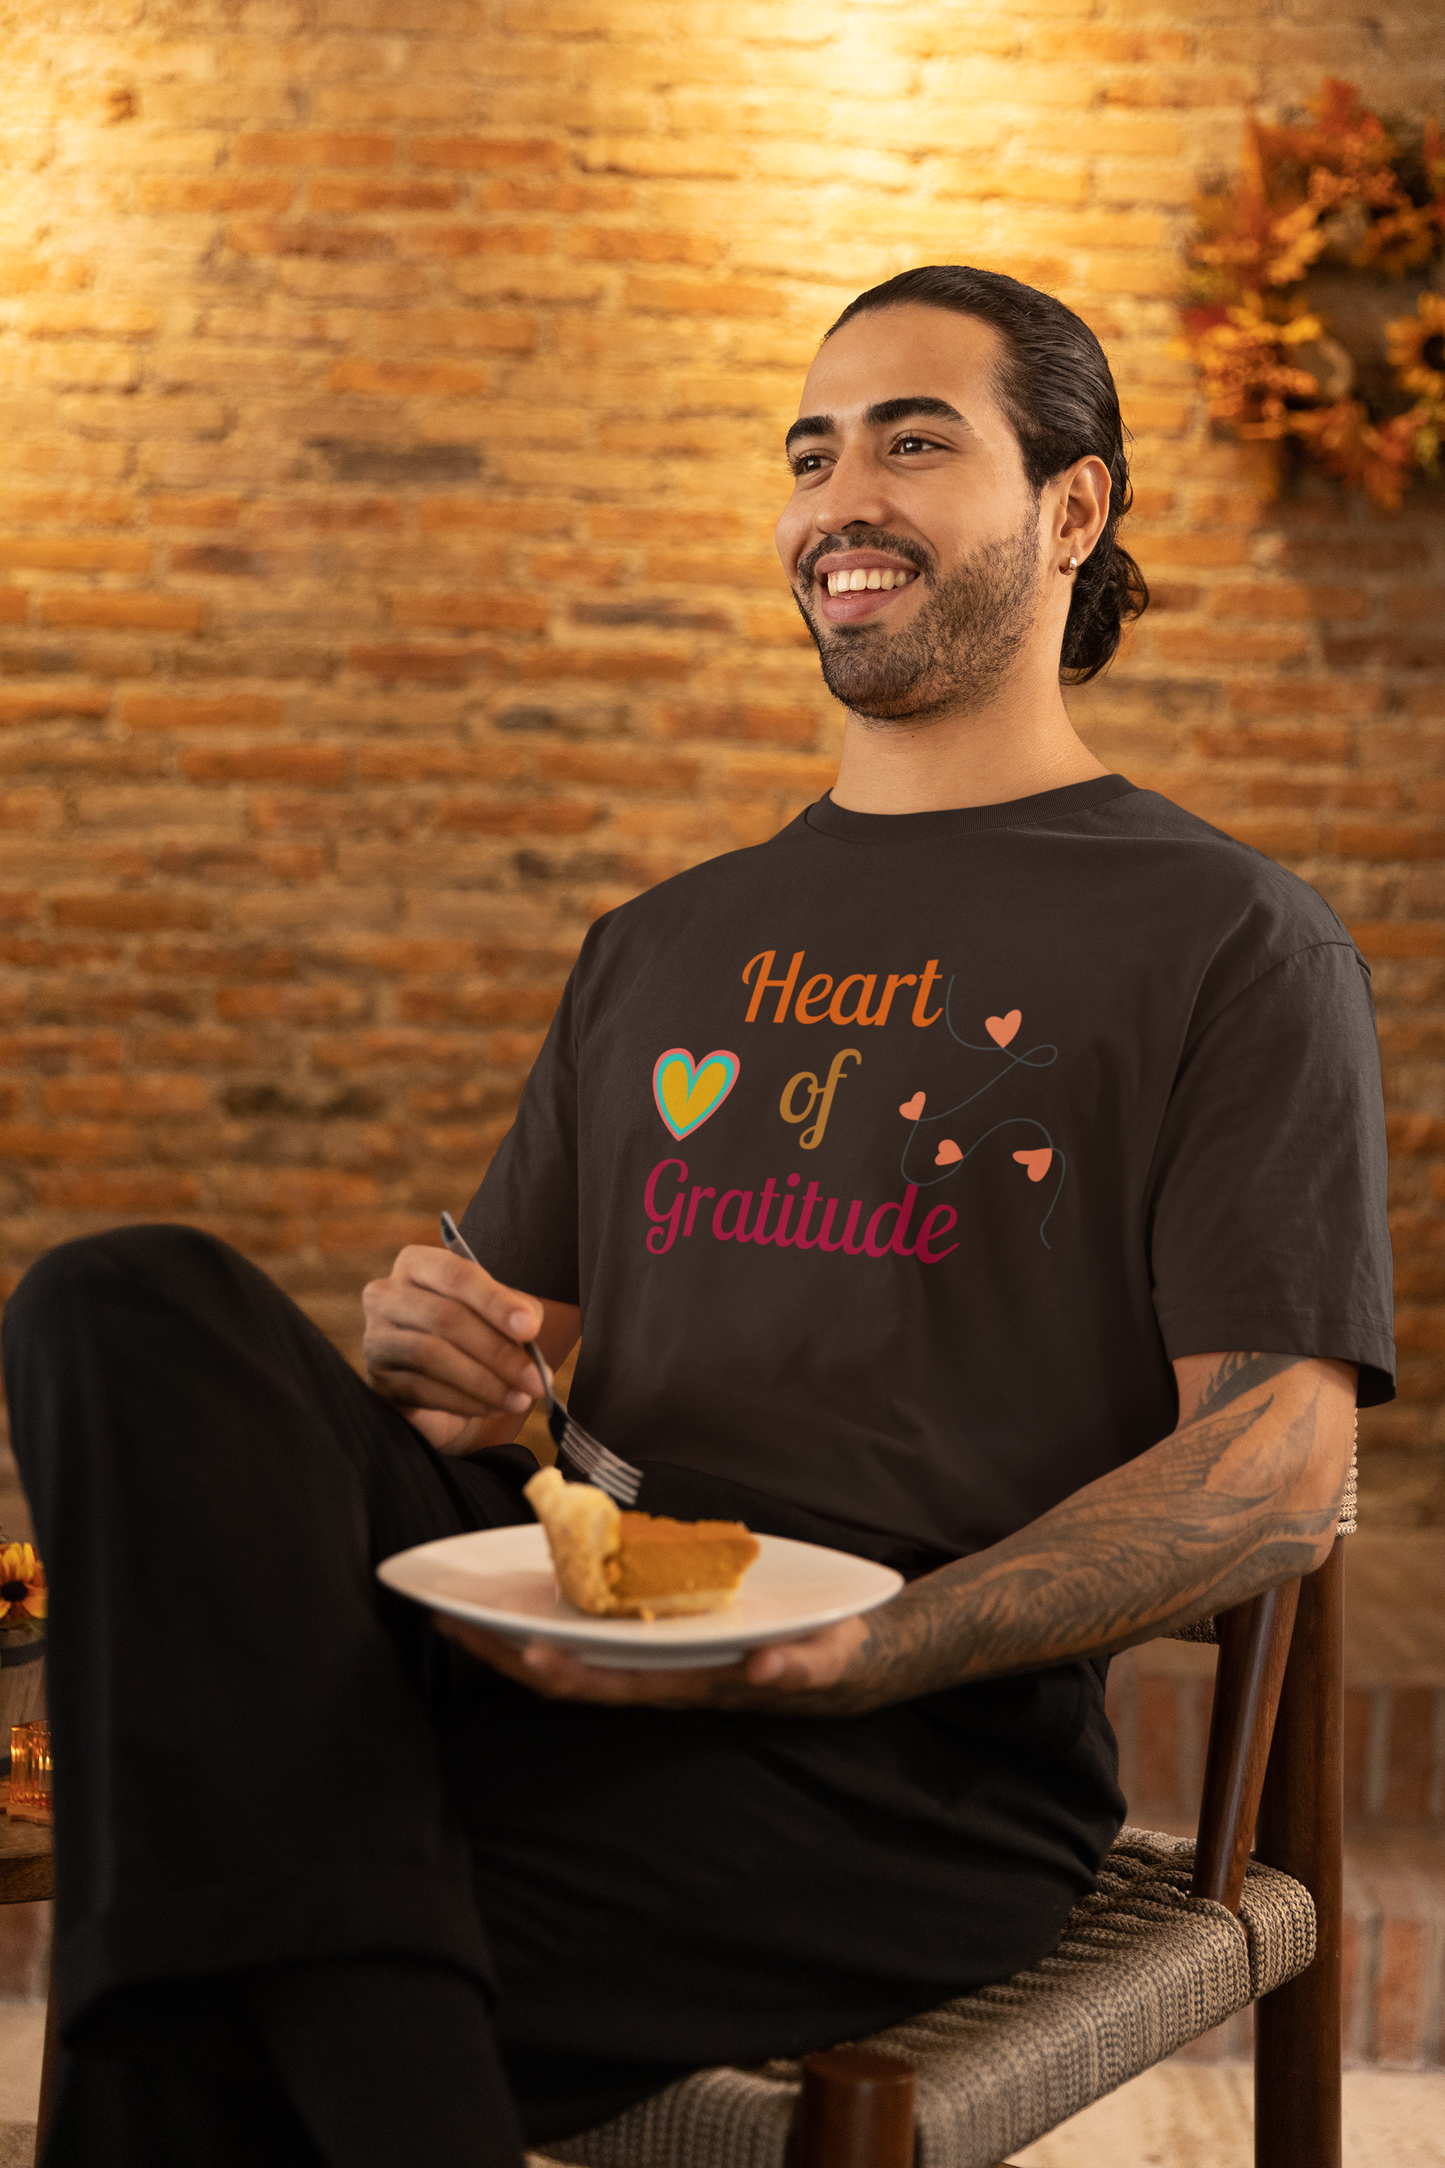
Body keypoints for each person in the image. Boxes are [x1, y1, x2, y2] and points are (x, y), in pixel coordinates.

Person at [3, 265, 1393, 2168]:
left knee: (201, 1925)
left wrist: (868, 1650)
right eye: (811, 454)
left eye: (916, 440)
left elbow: (1273, 1465)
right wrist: (438, 1360)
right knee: (118, 1297)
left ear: (1073, 511)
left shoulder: (1232, 938)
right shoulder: (660, 944)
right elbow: (493, 1397)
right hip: (560, 1635)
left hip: (898, 1768)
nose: (841, 499)